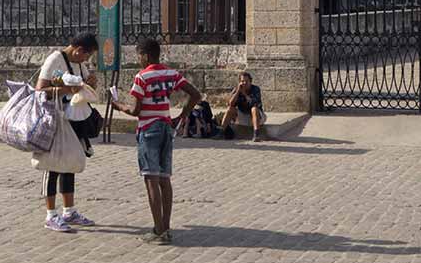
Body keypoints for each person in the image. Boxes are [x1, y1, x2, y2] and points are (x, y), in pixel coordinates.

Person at [111, 37, 202, 245]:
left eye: (139, 56)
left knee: (150, 179)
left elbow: (136, 110)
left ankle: (158, 231)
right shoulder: (171, 73)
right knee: (164, 179)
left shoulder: (142, 77)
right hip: (166, 127)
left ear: (145, 55)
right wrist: (182, 116)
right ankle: (166, 227)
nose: (139, 60)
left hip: (148, 129)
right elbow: (195, 95)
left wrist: (119, 106)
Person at [35, 32, 99, 233]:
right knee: (52, 164)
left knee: (69, 163)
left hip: (72, 120)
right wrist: (67, 90)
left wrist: (90, 84)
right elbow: (40, 90)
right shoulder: (55, 60)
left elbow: (84, 84)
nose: (86, 60)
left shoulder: (78, 64)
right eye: (87, 55)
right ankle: (50, 214)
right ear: (79, 50)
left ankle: (69, 211)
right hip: (55, 119)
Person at [219, 71, 267, 141]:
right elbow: (231, 103)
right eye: (242, 81)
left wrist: (244, 94)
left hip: (256, 117)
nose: (244, 83)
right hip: (242, 116)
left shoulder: (255, 89)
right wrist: (237, 92)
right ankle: (221, 132)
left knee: (254, 109)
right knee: (230, 109)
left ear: (250, 81)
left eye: (246, 81)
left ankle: (256, 134)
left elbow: (253, 103)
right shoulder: (237, 90)